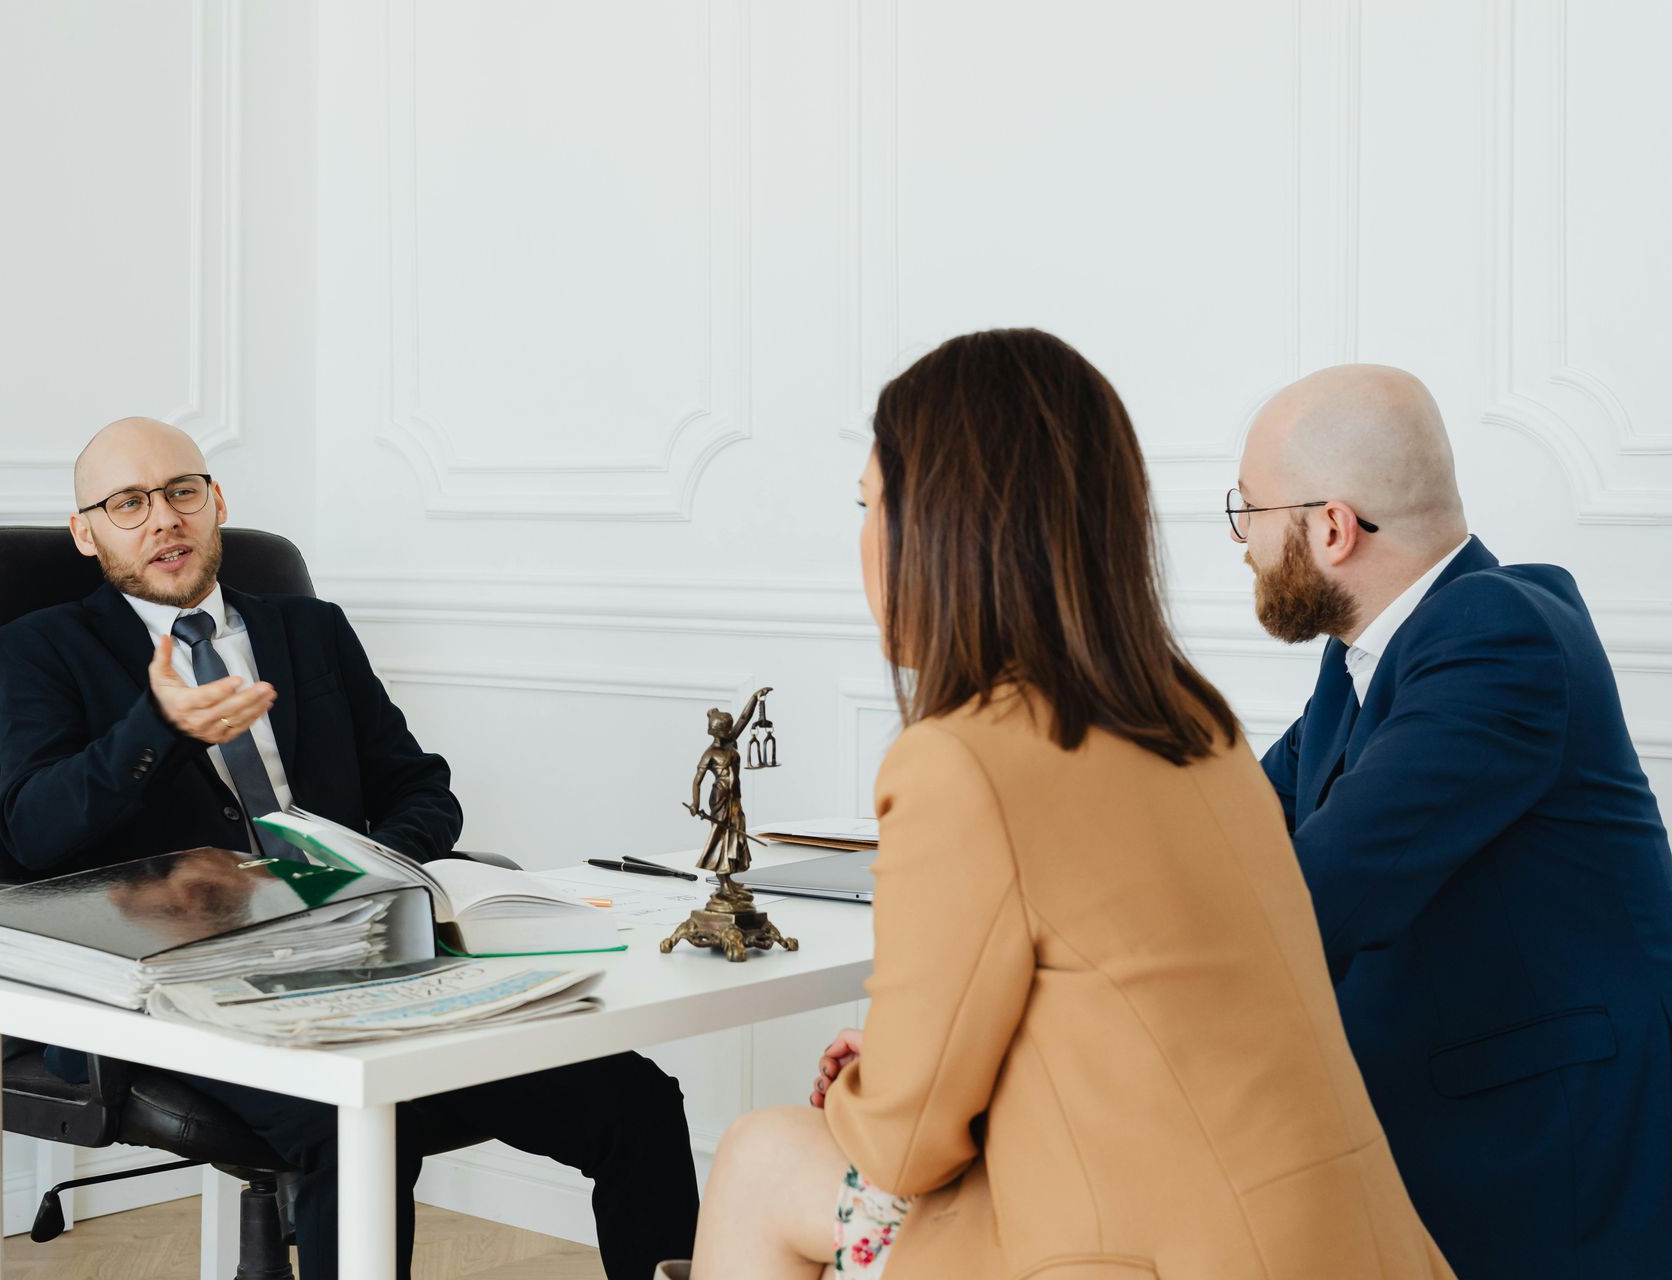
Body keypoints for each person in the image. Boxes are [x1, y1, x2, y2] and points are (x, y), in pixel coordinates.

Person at [662, 330, 1453, 1280]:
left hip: (1159, 1254)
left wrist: (873, 1086)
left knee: (757, 1160)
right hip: (1344, 1240)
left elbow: (903, 1144)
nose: (865, 541)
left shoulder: (960, 761)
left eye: (871, 506)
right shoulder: (1192, 721)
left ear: (941, 528)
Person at [0, 417, 700, 1280]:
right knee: (355, 1129)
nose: (164, 518)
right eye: (128, 503)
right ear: (85, 532)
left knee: (633, 1100)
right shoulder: (41, 647)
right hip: (184, 986)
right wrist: (159, 726)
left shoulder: (310, 629)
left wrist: (359, 873)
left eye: (181, 491)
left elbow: (423, 790)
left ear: (217, 502)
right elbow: (35, 833)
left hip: (360, 958)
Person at [1232, 365, 1672, 1278]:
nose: (1242, 545)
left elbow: (1315, 895)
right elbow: (1233, 827)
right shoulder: (1363, 663)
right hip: (1452, 1133)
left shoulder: (1496, 633)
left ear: (1331, 527)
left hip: (1550, 1167)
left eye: (1250, 511)